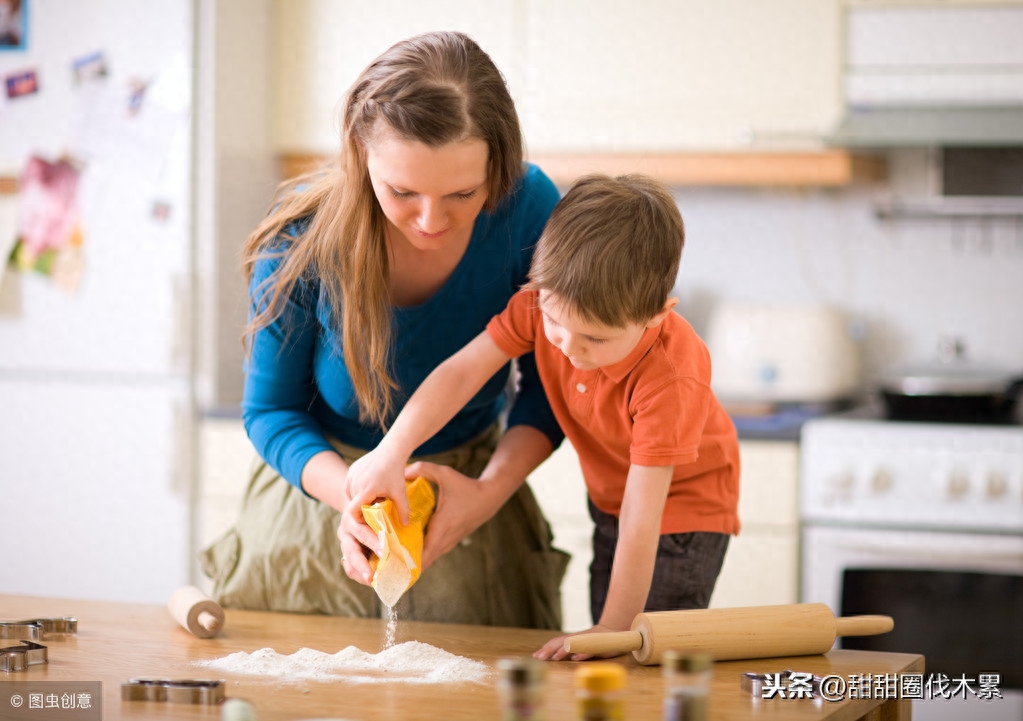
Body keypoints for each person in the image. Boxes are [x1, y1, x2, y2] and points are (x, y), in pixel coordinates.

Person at [200, 30, 570, 630]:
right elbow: (271, 413)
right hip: (319, 501)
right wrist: (353, 493)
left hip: (468, 500)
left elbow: (553, 386)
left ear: (498, 169)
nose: (431, 220)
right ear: (360, 154)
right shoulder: (299, 238)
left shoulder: (528, 208)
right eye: (401, 191)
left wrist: (488, 494)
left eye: (462, 193)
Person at [344, 174, 741, 659]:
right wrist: (392, 450)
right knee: (611, 645)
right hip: (613, 502)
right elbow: (462, 372)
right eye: (554, 323)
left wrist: (613, 627)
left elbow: (644, 516)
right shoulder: (541, 302)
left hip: (681, 515)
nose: (569, 348)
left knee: (643, 649)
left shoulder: (670, 377)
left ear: (657, 315)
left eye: (595, 338)